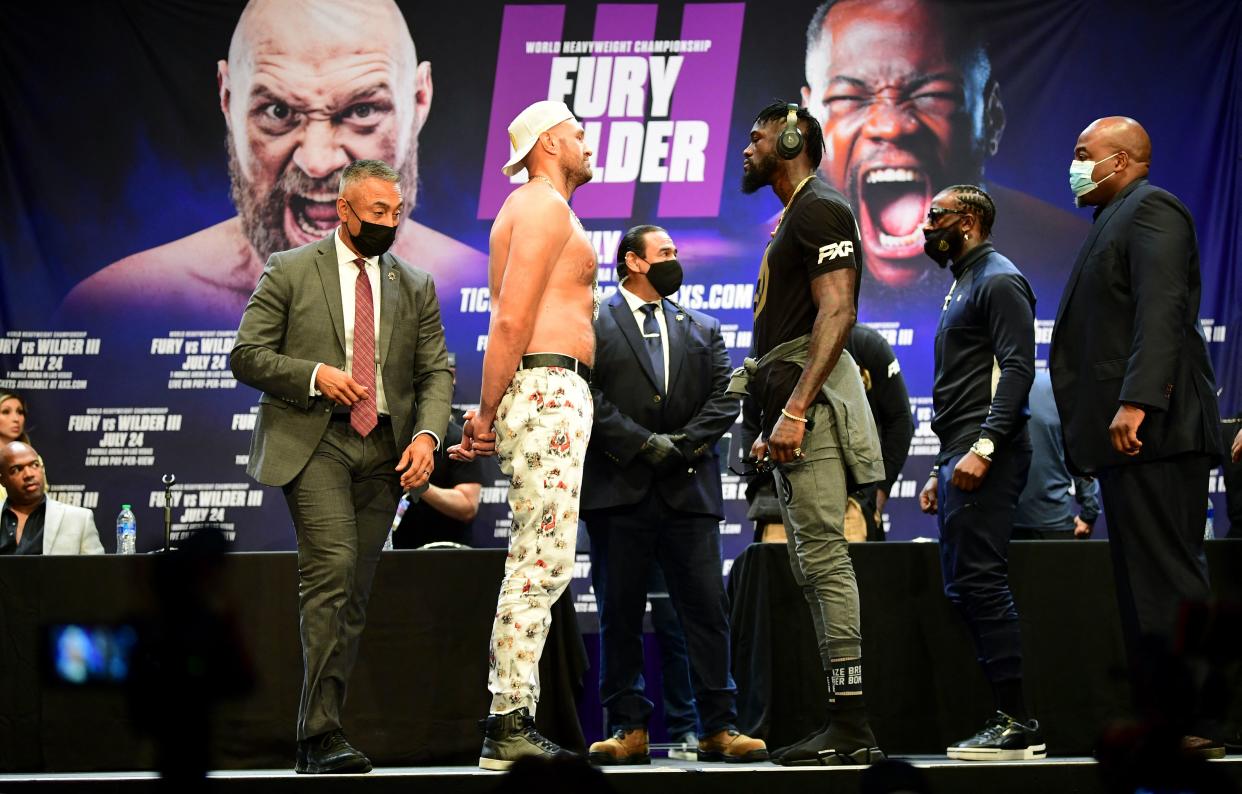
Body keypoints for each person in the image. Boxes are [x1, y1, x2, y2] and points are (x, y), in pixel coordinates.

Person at [60, 0, 486, 325]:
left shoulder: (477, 290)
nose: (318, 162)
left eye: (361, 111)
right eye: (279, 113)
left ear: (420, 99)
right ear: (227, 98)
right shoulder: (121, 304)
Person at [231, 158, 452, 774]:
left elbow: (436, 370)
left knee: (354, 593)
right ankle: (322, 734)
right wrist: (313, 375)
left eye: (396, 212)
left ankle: (317, 733)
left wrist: (429, 436)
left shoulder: (415, 283)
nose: (389, 221)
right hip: (316, 441)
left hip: (386, 449)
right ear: (345, 209)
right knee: (332, 570)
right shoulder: (291, 269)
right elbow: (246, 355)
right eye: (377, 212)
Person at [1049, 116, 1225, 759]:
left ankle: (1198, 719)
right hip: (1128, 440)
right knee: (1141, 585)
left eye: (1081, 153)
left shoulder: (1152, 210)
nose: (1073, 165)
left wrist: (1137, 401)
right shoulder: (1111, 219)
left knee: (1169, 578)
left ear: (1120, 160)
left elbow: (1163, 310)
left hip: (1157, 430)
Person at [447, 100, 598, 771]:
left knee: (544, 562)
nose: (586, 140)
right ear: (546, 145)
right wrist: (483, 413)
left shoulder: (546, 206)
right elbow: (511, 319)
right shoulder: (539, 205)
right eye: (576, 133)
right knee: (537, 565)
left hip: (549, 390)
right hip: (543, 386)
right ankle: (508, 720)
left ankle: (513, 715)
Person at [581, 225, 765, 765]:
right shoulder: (592, 322)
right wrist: (642, 445)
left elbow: (723, 398)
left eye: (676, 253)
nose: (674, 260)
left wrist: (680, 446)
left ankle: (719, 727)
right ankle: (628, 727)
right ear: (633, 262)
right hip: (619, 490)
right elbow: (584, 392)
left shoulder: (704, 328)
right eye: (664, 253)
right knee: (619, 611)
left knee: (708, 611)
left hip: (689, 490)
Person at [737, 101, 885, 766]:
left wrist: (795, 410)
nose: (748, 149)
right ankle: (844, 723)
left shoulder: (822, 207)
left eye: (758, 138)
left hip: (810, 404)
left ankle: (851, 726)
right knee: (812, 563)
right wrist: (773, 418)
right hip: (792, 399)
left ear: (792, 138)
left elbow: (838, 312)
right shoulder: (797, 215)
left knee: (825, 560)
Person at [800, 0, 1085, 300]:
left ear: (992, 118)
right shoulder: (767, 250)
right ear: (809, 123)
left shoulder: (1070, 252)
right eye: (848, 97)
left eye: (934, 94)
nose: (891, 126)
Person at [915, 184, 1044, 760]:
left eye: (935, 216)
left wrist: (984, 447)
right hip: (960, 451)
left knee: (982, 582)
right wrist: (943, 463)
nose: (927, 226)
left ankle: (1018, 722)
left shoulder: (998, 279)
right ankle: (1007, 716)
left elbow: (1018, 371)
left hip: (987, 453)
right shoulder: (964, 281)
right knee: (965, 584)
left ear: (967, 220)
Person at [393, 353, 484, 548]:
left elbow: (468, 506)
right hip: (390, 551)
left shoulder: (458, 438)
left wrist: (422, 487)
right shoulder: (388, 434)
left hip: (445, 552)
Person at [844, 324, 914, 541]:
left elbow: (900, 421)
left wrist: (879, 492)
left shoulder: (867, 345)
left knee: (860, 573)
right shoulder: (777, 344)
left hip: (856, 498)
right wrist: (759, 493)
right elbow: (754, 422)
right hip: (790, 496)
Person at [1013, 370, 1100, 539]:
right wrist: (1089, 511)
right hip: (1051, 522)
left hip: (1004, 523)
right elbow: (1079, 450)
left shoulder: (989, 389)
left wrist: (1089, 512)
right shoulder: (1056, 386)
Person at [0, 441, 103, 555]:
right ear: (2, 480)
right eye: (16, 469)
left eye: (34, 465)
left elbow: (97, 571)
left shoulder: (79, 520)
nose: (29, 474)